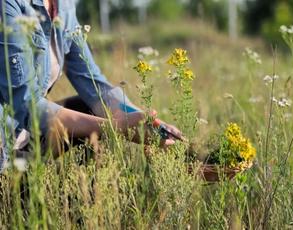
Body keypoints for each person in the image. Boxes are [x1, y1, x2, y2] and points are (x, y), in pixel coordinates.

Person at [0, 0, 183, 171]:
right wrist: (116, 127)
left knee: (93, 108)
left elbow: (93, 82)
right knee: (99, 123)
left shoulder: (64, 6)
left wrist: (146, 122)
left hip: (27, 135)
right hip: (5, 144)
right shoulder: (9, 5)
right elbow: (26, 105)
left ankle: (81, 197)